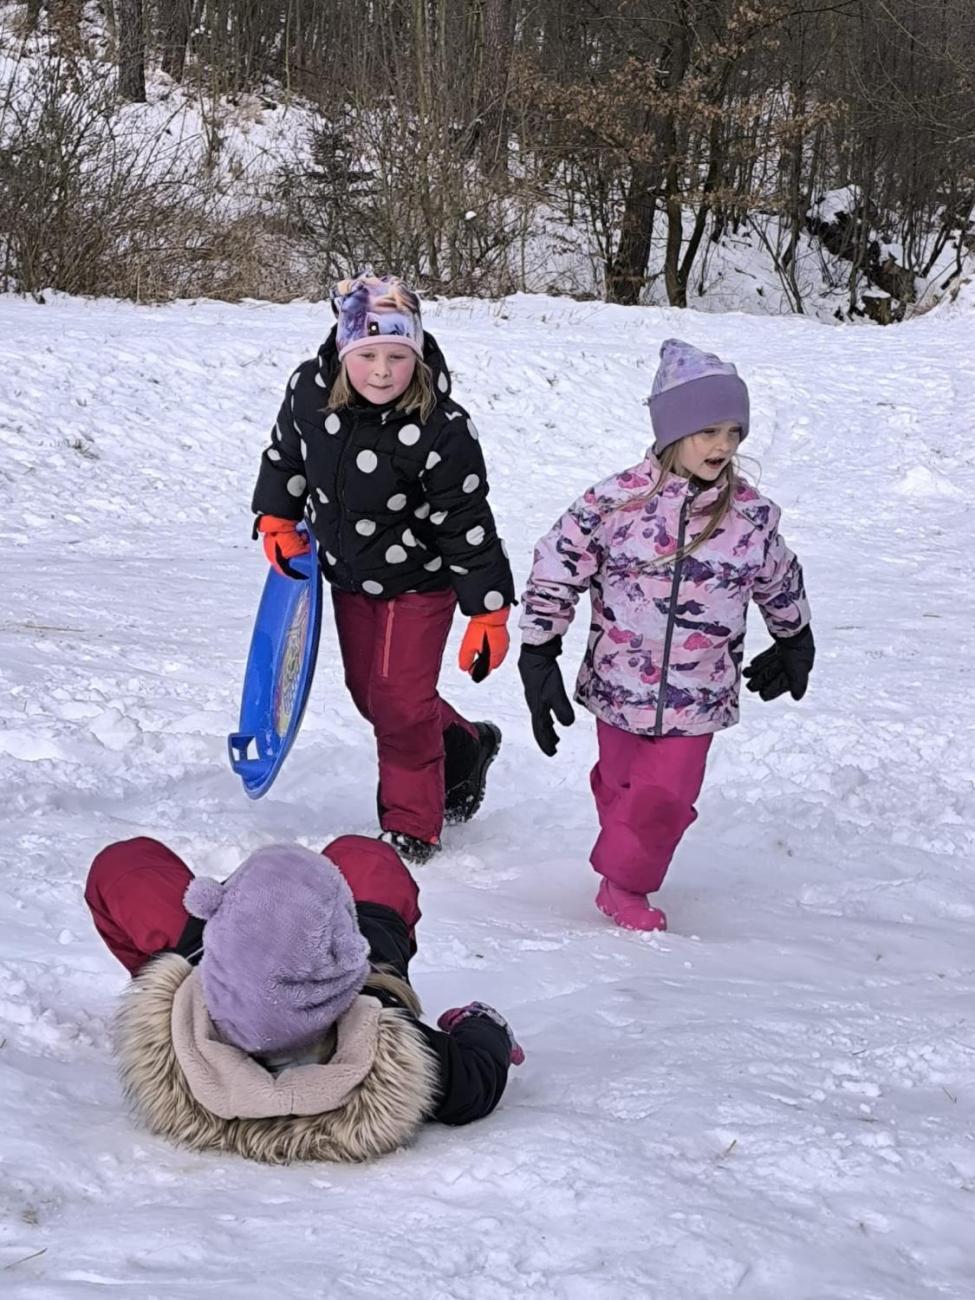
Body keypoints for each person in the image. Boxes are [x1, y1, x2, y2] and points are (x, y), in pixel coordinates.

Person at [517, 339, 814, 932]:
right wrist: (538, 648)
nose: (724, 446)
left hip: (698, 696)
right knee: (626, 787)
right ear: (673, 430)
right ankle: (621, 857)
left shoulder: (748, 517)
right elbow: (558, 562)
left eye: (734, 432)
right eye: (708, 431)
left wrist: (793, 637)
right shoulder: (614, 504)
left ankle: (626, 885)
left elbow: (779, 576)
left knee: (665, 800)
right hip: (617, 683)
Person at [251, 273, 515, 863]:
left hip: (421, 580)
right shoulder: (308, 394)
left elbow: (466, 521)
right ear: (343, 351)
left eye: (397, 356)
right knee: (371, 694)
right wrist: (276, 517)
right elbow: (286, 455)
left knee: (398, 701)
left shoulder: (440, 428)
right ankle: (466, 748)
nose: (381, 371)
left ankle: (412, 823)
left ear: (416, 356)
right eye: (367, 355)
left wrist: (488, 612)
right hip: (347, 575)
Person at [85, 834, 522, 1164]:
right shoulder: (385, 1037)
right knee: (364, 857)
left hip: (206, 981)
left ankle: (253, 913)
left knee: (126, 865)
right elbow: (477, 1079)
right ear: (349, 950)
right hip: (351, 987)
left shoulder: (177, 1028)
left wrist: (175, 977)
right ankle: (296, 909)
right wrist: (482, 1024)